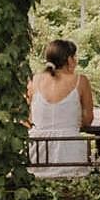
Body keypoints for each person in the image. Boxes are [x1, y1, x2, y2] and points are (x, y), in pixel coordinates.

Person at [27, 39, 94, 177]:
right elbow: (88, 119)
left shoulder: (34, 80)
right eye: (74, 57)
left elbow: (28, 118)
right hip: (70, 154)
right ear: (69, 59)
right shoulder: (80, 81)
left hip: (38, 153)